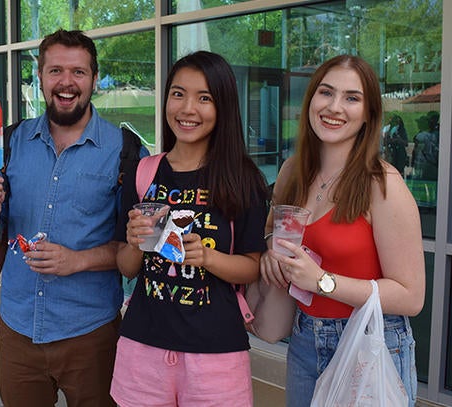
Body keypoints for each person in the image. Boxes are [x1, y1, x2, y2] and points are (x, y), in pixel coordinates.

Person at [0, 29, 147, 407]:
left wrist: (76, 260)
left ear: (95, 79)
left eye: (79, 72)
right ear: (41, 77)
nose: (67, 82)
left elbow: (133, 250)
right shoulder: (11, 142)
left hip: (91, 333)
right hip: (18, 331)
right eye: (56, 71)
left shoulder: (127, 152)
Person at [259, 55, 425, 407]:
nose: (335, 107)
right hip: (304, 339)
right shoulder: (292, 172)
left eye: (352, 98)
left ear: (368, 114)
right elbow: (273, 232)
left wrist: (321, 281)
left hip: (368, 343)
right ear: (311, 101)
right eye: (326, 92)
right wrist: (271, 250)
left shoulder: (384, 185)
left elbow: (411, 297)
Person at [110, 51, 269, 406]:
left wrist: (208, 257)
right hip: (142, 349)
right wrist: (135, 242)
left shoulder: (243, 180)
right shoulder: (142, 173)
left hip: (216, 355)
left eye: (204, 98)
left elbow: (252, 266)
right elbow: (125, 265)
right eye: (178, 94)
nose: (187, 109)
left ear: (223, 106)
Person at [411, 110, 439, 180]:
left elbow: (418, 151)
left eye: (420, 123)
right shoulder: (432, 135)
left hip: (424, 165)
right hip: (429, 165)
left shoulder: (422, 136)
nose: (418, 124)